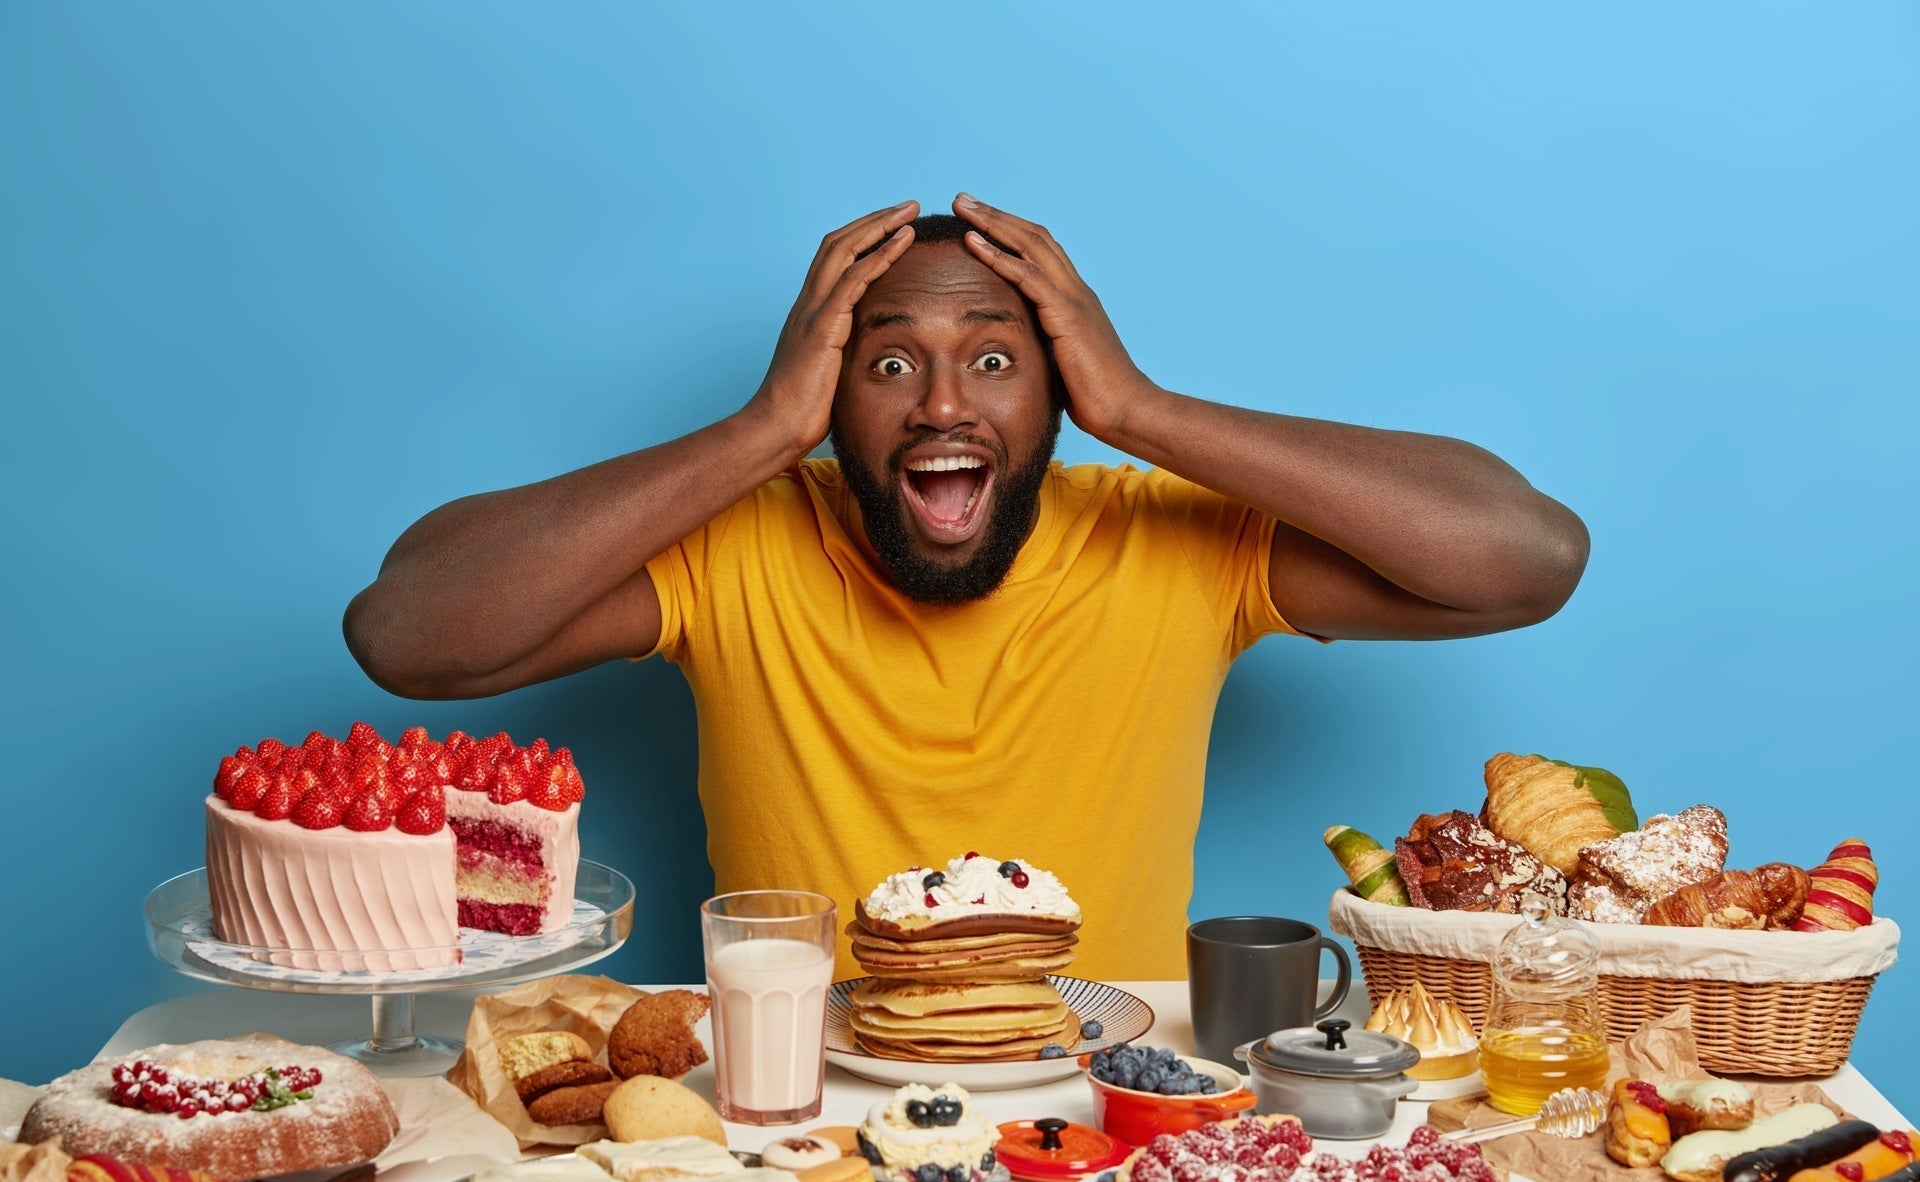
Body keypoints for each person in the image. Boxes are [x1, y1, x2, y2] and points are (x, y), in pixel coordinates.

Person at [343, 196, 1589, 978]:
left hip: (1111, 1090)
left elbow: (1526, 557)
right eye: (887, 362)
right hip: (802, 1095)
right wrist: (759, 432)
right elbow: (409, 635)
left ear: (1060, 391)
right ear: (829, 394)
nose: (944, 403)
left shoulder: (1172, 540)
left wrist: (1146, 411)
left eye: (995, 358)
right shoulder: (738, 541)